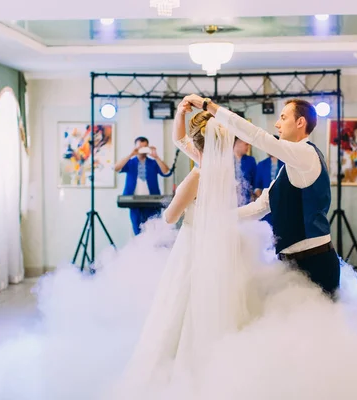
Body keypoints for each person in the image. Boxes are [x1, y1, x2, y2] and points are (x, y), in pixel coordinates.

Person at [113, 99, 257, 395]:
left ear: (197, 142)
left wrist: (180, 196)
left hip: (192, 244)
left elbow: (170, 217)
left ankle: (182, 371)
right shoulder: (223, 171)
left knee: (181, 301)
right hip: (217, 240)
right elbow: (181, 140)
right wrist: (180, 114)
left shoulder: (197, 175)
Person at [183, 94, 340, 298]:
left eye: (283, 117)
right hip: (291, 264)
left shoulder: (306, 155)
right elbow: (260, 207)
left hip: (315, 262)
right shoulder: (288, 168)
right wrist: (217, 217)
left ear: (300, 122)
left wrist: (209, 106)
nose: (277, 124)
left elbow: (257, 137)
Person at [115, 137, 170, 235]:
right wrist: (131, 154)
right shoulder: (130, 162)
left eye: (145, 146)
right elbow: (116, 168)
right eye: (140, 146)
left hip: (152, 202)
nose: (142, 149)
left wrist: (156, 157)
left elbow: (166, 172)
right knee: (137, 230)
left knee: (154, 231)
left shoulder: (153, 163)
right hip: (134, 201)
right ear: (135, 147)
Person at [254, 144, 284, 226]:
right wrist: (262, 197)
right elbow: (257, 186)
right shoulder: (261, 164)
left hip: (282, 202)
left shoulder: (285, 163)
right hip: (266, 201)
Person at [234, 137, 257, 206]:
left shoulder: (251, 160)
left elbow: (255, 179)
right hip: (231, 200)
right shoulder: (226, 160)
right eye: (246, 144)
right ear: (238, 143)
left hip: (247, 200)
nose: (248, 147)